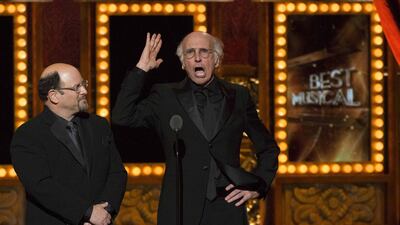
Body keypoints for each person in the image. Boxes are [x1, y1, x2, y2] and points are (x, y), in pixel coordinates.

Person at [112, 32, 279, 225]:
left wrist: (257, 186)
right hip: (179, 210)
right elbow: (121, 116)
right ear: (183, 63)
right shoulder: (165, 96)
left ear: (216, 60)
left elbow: (268, 148)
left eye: (204, 52)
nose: (197, 57)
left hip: (227, 209)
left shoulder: (239, 96)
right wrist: (141, 69)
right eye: (190, 53)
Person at [10, 63, 127, 225]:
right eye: (77, 87)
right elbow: (41, 185)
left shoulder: (99, 125)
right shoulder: (28, 135)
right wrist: (87, 213)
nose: (84, 91)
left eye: (83, 84)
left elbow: (117, 173)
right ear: (54, 96)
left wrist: (105, 212)